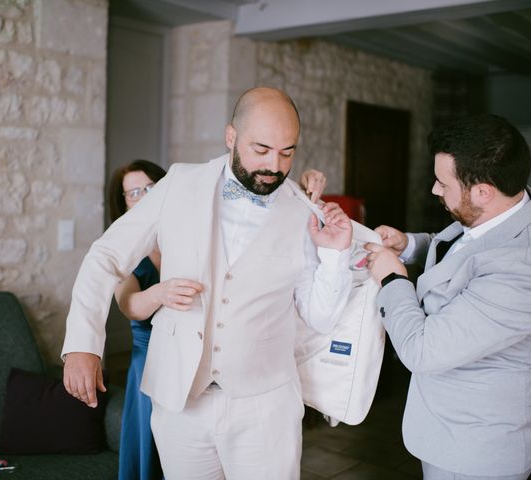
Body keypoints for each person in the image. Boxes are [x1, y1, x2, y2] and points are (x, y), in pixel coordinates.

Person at [62, 86, 353, 479]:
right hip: (180, 403)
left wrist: (334, 255)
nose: (274, 165)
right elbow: (107, 256)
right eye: (262, 149)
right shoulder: (180, 184)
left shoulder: (302, 207)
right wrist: (82, 345)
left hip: (265, 409)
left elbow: (319, 315)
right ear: (231, 136)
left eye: (288, 152)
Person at [364, 113, 531, 479]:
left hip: (474, 452)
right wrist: (409, 245)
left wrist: (393, 280)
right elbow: (466, 250)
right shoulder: (511, 211)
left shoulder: (524, 272)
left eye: (443, 183)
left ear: (482, 191)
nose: (434, 190)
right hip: (452, 431)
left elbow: (422, 350)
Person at [107, 159, 171, 480]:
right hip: (149, 368)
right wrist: (161, 294)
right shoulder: (123, 251)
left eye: (149, 187)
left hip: (188, 359)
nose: (143, 197)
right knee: (153, 455)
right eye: (133, 193)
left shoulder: (184, 238)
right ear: (124, 204)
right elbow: (128, 303)